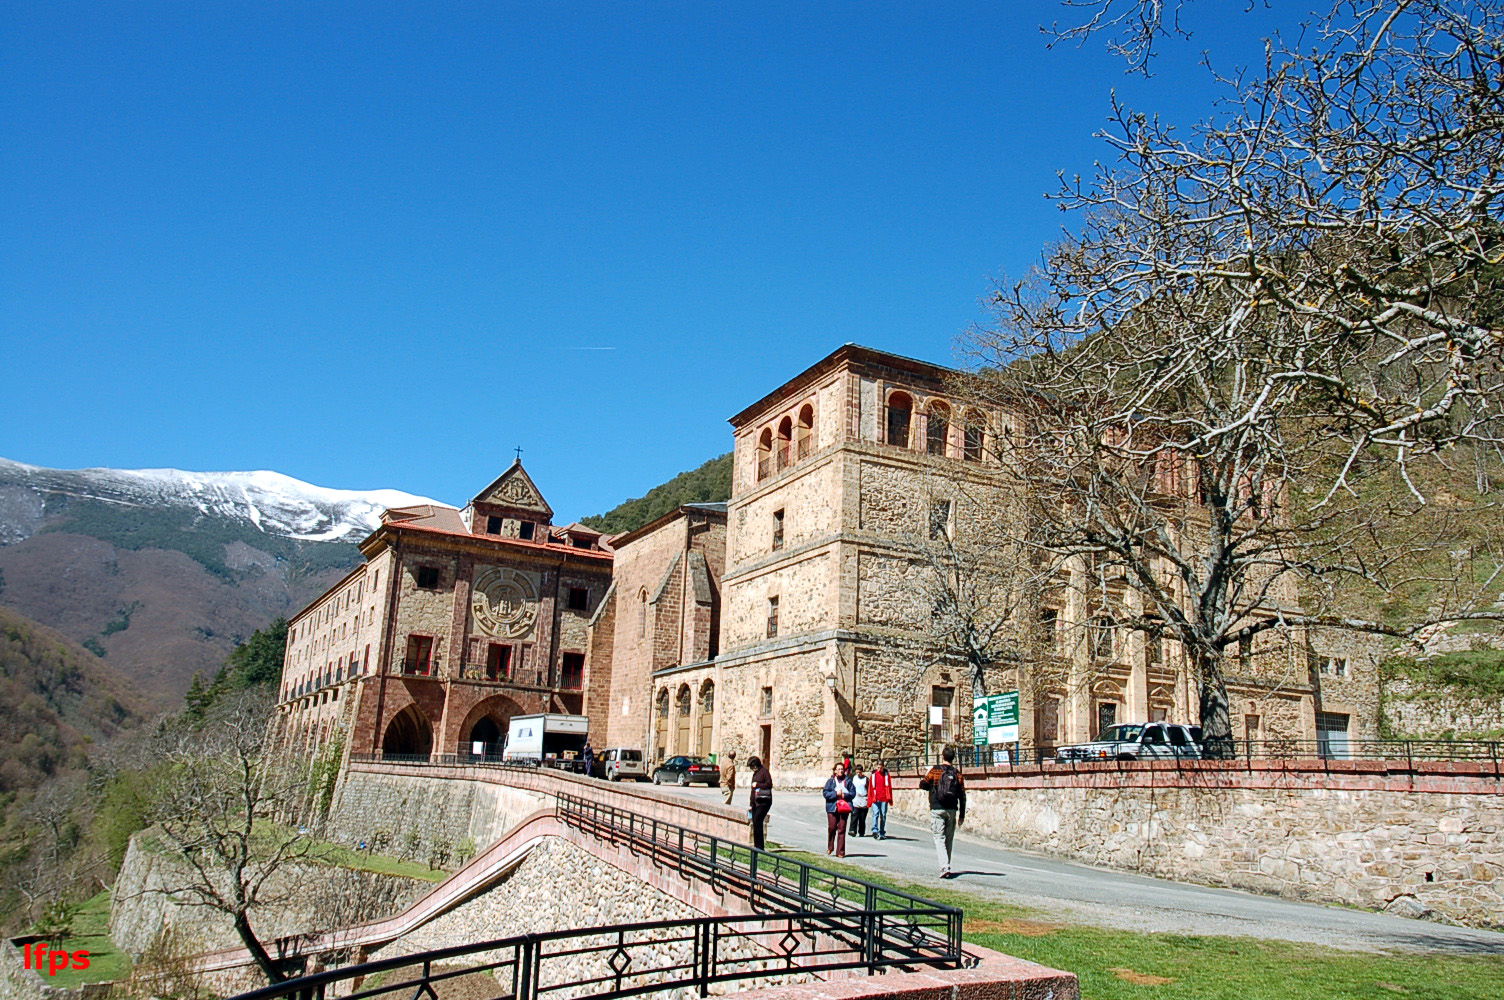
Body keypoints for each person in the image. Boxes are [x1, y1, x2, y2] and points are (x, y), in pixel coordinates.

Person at [918, 746, 966, 877]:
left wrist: (925, 776)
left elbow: (923, 785)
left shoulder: (935, 770)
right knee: (949, 839)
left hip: (937, 808)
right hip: (952, 809)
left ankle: (945, 867)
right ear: (953, 758)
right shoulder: (957, 773)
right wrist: (962, 815)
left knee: (939, 838)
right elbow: (962, 795)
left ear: (942, 756)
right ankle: (946, 865)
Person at [822, 761, 856, 857]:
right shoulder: (830, 781)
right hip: (832, 807)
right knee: (832, 827)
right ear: (835, 771)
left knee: (842, 829)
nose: (840, 771)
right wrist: (835, 794)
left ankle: (840, 852)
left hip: (844, 807)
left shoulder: (848, 781)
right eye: (838, 769)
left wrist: (845, 795)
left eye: (842, 769)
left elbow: (853, 793)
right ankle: (830, 847)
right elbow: (825, 793)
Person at [747, 755, 773, 851]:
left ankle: (760, 846)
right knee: (755, 821)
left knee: (758, 820)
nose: (752, 769)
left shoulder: (764, 772)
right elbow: (752, 791)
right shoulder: (755, 773)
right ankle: (756, 845)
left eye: (752, 766)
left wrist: (758, 784)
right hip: (755, 802)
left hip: (764, 801)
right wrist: (751, 804)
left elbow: (769, 784)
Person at [869, 761, 893, 840]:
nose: (879, 769)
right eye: (878, 767)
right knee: (875, 814)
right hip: (876, 798)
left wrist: (890, 799)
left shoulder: (886, 775)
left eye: (881, 767)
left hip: (884, 798)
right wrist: (870, 798)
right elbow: (870, 788)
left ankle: (882, 831)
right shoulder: (873, 775)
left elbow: (889, 787)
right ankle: (875, 830)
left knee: (883, 815)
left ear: (883, 767)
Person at [849, 763, 871, 837]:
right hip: (856, 798)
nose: (858, 774)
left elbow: (869, 789)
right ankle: (852, 830)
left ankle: (861, 832)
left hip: (864, 798)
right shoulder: (854, 778)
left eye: (860, 772)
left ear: (862, 771)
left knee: (862, 817)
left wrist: (868, 798)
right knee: (854, 815)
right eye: (857, 772)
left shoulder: (866, 779)